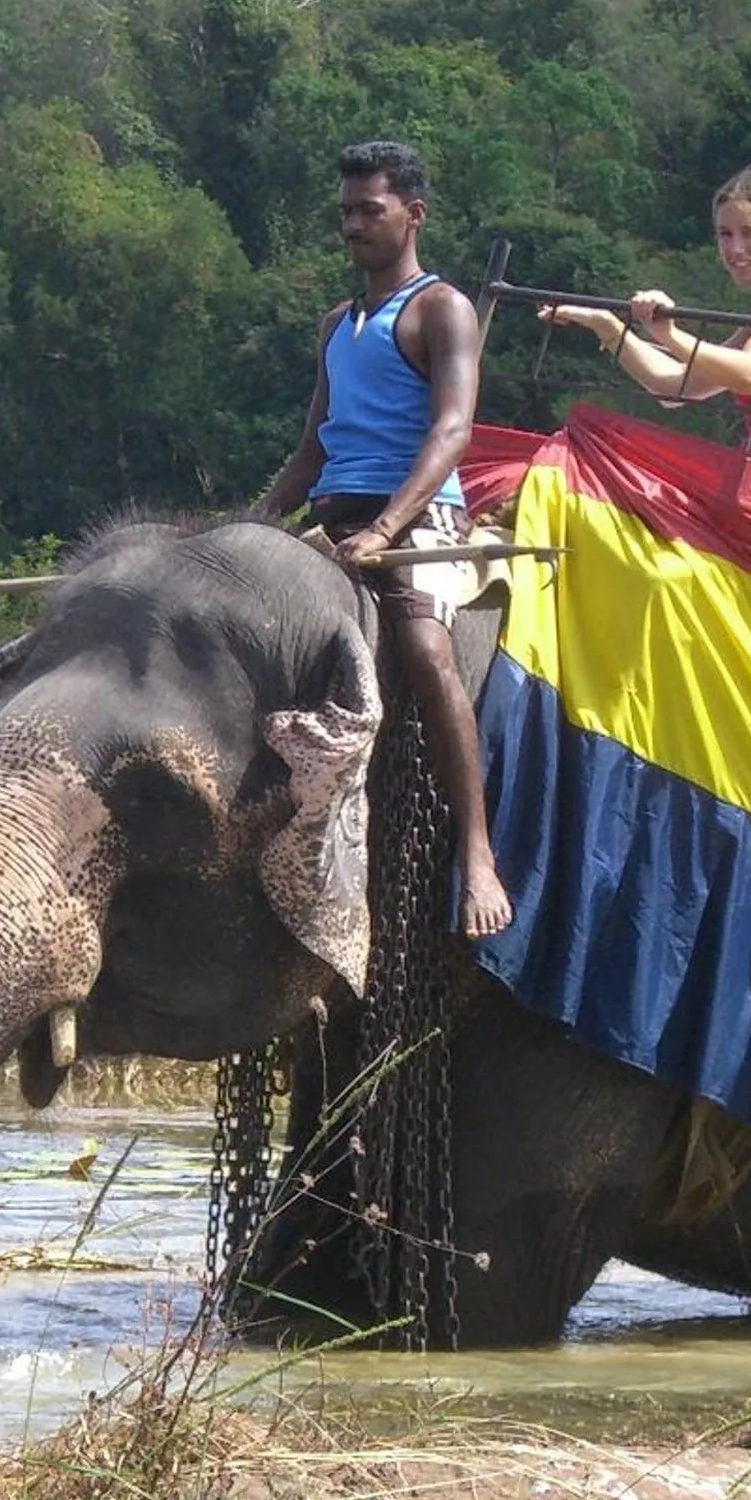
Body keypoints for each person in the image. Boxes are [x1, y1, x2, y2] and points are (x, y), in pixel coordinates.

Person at [256, 140, 515, 940]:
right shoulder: (337, 325)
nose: (354, 225)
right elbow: (312, 448)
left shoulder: (440, 310)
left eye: (370, 210)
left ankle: (477, 853)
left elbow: (452, 431)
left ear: (414, 214)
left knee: (426, 649)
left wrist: (386, 528)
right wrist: (252, 526)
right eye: (346, 212)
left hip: (417, 518)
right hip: (334, 513)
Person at [538, 167, 751, 484]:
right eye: (725, 234)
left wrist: (670, 334)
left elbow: (749, 373)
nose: (736, 248)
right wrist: (608, 326)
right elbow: (676, 388)